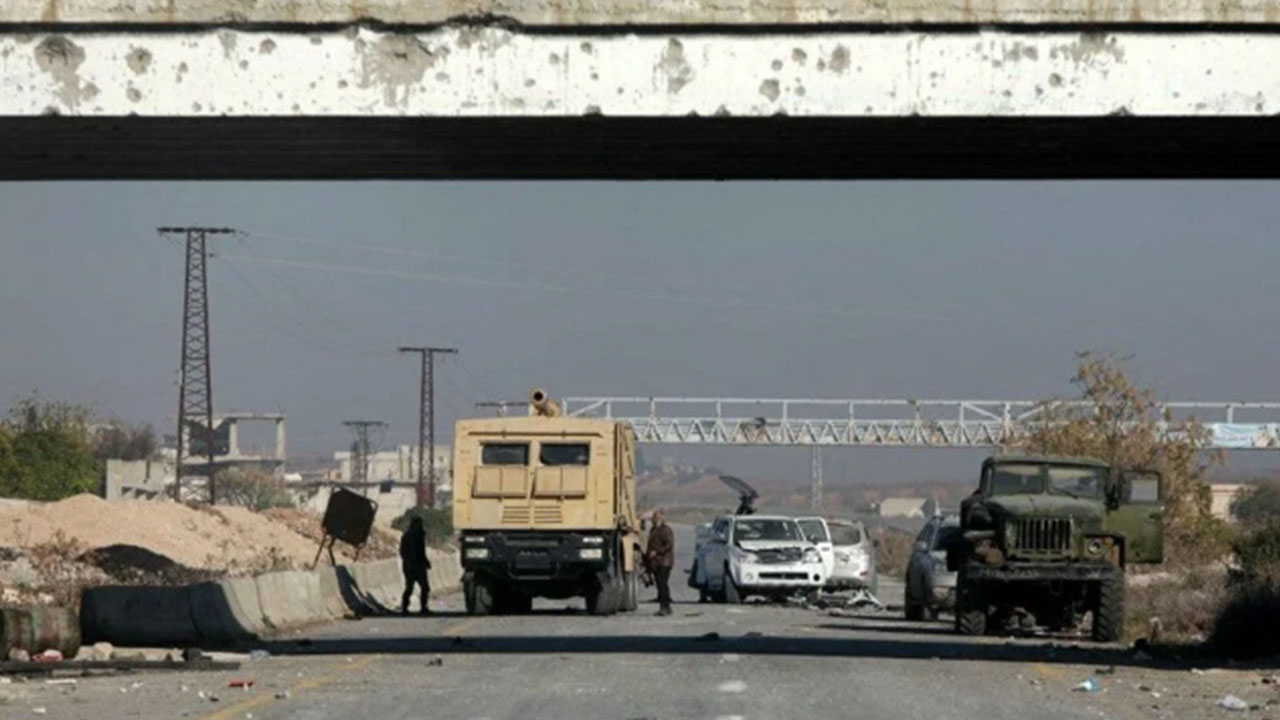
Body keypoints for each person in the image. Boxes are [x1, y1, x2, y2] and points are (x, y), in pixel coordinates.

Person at [645, 508, 675, 616]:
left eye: (656, 517)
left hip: (665, 562)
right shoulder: (653, 530)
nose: (654, 519)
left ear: (662, 518)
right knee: (660, 585)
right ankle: (665, 607)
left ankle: (665, 607)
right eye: (653, 517)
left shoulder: (665, 530)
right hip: (655, 562)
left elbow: (669, 544)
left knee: (663, 584)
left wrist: (657, 552)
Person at [399, 516, 432, 615]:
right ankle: (404, 608)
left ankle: (423, 608)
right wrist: (409, 563)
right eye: (418, 523)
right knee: (409, 587)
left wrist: (426, 561)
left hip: (420, 566)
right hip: (411, 566)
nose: (419, 525)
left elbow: (421, 551)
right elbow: (403, 552)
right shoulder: (408, 536)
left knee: (425, 588)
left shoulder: (420, 535)